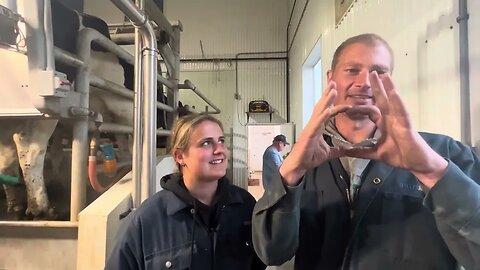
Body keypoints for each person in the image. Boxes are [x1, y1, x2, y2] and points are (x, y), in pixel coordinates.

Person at [252, 33, 480, 270]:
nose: (365, 82)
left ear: (390, 81)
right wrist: (290, 175)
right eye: (352, 70)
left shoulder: (445, 154)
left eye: (378, 72)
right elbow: (271, 252)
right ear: (331, 78)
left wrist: (433, 172)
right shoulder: (301, 162)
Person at [106, 114, 266, 270]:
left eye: (221, 141)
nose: (219, 150)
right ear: (180, 156)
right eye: (206, 143)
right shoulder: (146, 220)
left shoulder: (245, 206)